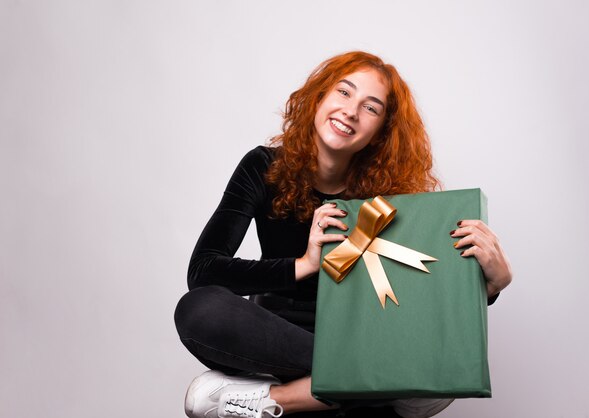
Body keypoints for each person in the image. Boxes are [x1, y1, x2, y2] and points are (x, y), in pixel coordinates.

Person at [174, 51, 513, 418]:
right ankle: (379, 384)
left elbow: (421, 298)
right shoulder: (263, 166)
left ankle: (282, 398)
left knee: (411, 362)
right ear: (319, 98)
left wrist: (492, 286)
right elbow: (204, 271)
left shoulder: (392, 197)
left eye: (371, 108)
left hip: (361, 334)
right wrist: (304, 264)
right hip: (278, 335)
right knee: (199, 310)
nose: (351, 111)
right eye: (344, 92)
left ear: (381, 132)